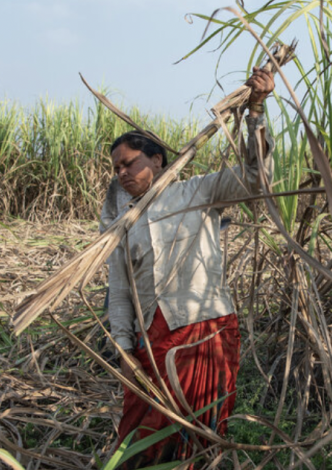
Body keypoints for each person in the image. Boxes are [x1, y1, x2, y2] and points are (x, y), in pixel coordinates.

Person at [101, 68, 275, 467]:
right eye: (116, 169)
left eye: (128, 163)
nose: (122, 173)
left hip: (205, 333)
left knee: (199, 429)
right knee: (140, 432)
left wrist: (257, 112)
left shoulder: (198, 191)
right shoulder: (123, 225)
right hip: (151, 344)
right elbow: (122, 289)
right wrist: (124, 347)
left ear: (157, 160)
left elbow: (255, 178)